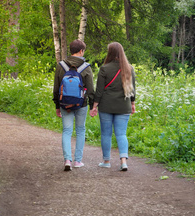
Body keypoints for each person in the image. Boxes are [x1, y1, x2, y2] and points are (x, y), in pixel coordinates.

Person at [89, 42, 135, 171]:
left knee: (106, 134)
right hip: (124, 106)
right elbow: (132, 89)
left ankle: (106, 161)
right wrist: (132, 104)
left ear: (110, 53)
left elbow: (99, 91)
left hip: (106, 106)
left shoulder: (104, 68)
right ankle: (124, 161)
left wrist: (94, 106)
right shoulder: (129, 68)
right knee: (121, 134)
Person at [53, 39, 95, 171]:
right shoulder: (86, 67)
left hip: (65, 104)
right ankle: (77, 161)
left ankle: (67, 160)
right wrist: (93, 106)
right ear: (81, 51)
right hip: (81, 104)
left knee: (67, 131)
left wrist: (57, 106)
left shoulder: (61, 66)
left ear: (71, 51)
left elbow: (56, 88)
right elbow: (91, 90)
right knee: (80, 130)